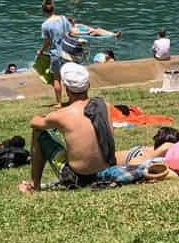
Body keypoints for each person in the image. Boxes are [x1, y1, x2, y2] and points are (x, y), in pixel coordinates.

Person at [21, 63, 115, 191]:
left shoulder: (61, 115)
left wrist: (46, 116)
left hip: (77, 179)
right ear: (88, 85)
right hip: (107, 172)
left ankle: (34, 184)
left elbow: (34, 122)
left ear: (66, 87)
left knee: (39, 131)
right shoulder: (104, 106)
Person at [39, 0, 76, 102]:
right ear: (53, 9)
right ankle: (72, 100)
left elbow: (47, 42)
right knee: (69, 76)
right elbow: (72, 33)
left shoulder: (45, 25)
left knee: (57, 78)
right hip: (68, 51)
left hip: (56, 54)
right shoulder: (63, 18)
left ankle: (59, 103)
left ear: (43, 10)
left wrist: (41, 51)